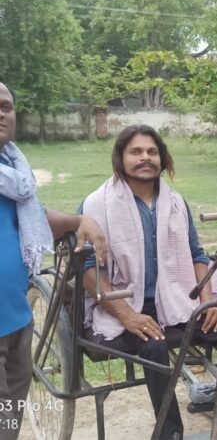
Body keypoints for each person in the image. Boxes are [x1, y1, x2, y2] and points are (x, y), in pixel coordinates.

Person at [81, 125, 217, 440]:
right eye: (136, 151)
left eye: (152, 151)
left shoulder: (175, 203)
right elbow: (90, 271)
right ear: (121, 158)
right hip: (123, 301)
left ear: (162, 158)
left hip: (176, 297)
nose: (145, 158)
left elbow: (197, 255)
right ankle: (170, 433)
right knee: (154, 346)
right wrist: (127, 315)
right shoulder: (96, 205)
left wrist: (208, 301)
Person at [0, 80, 106, 440]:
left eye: (5, 106)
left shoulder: (13, 171)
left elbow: (34, 217)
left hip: (16, 320)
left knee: (9, 418)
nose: (1, 114)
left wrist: (79, 221)